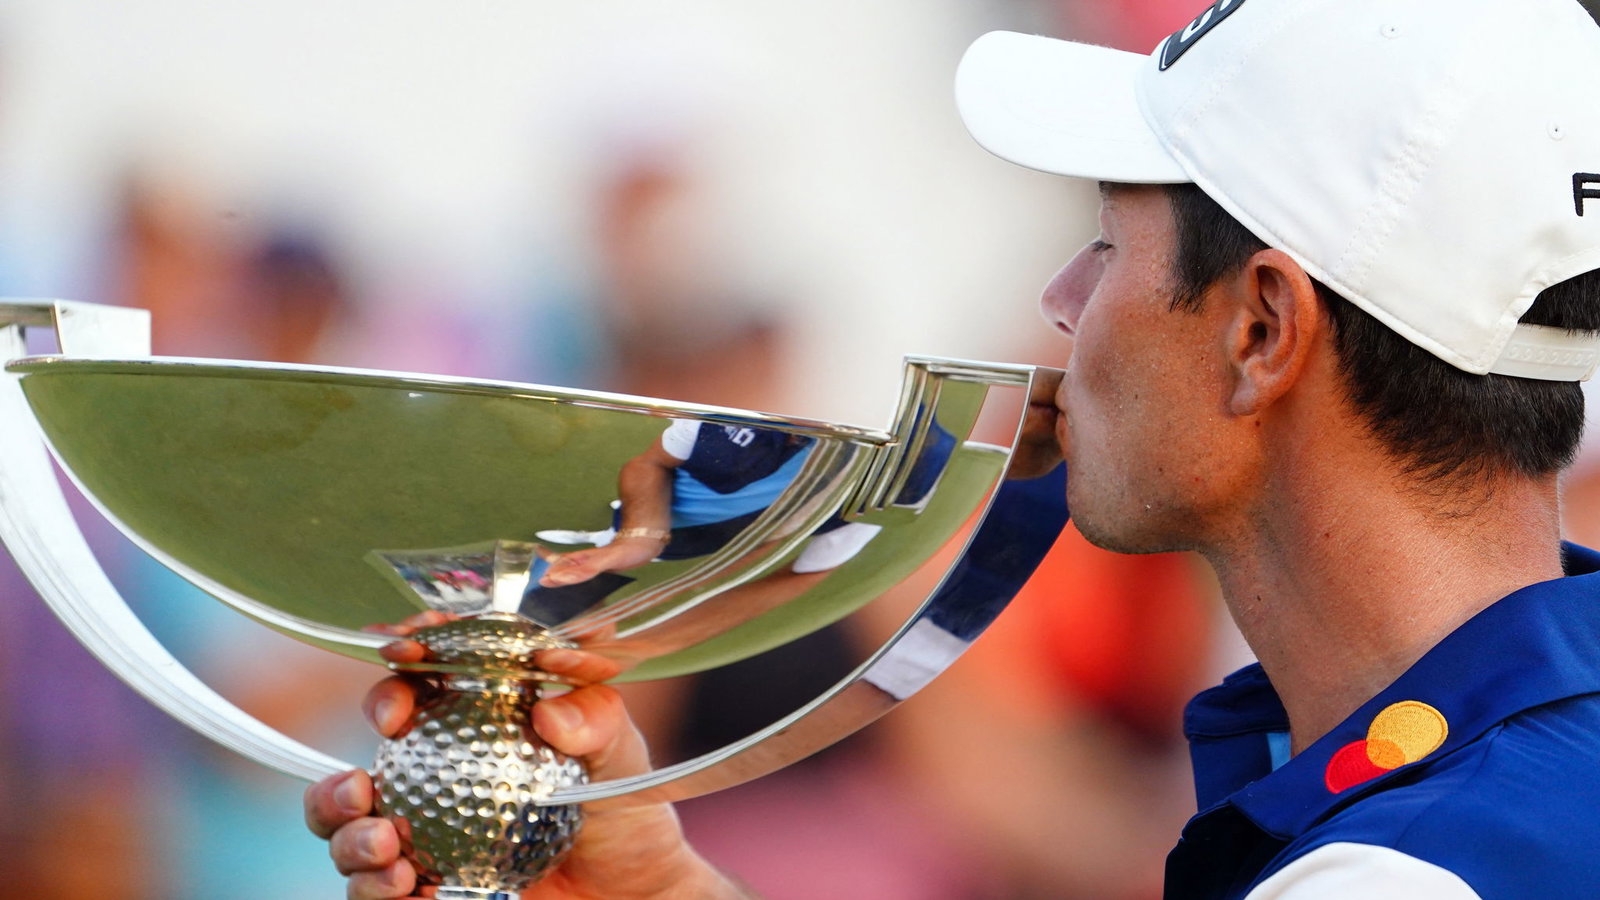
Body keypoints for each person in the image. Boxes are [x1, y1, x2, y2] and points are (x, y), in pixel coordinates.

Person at [306, 0, 1600, 896]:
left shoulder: (1411, 870)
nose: (1061, 297)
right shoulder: (1487, 781)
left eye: (1108, 242)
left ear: (1261, 329)